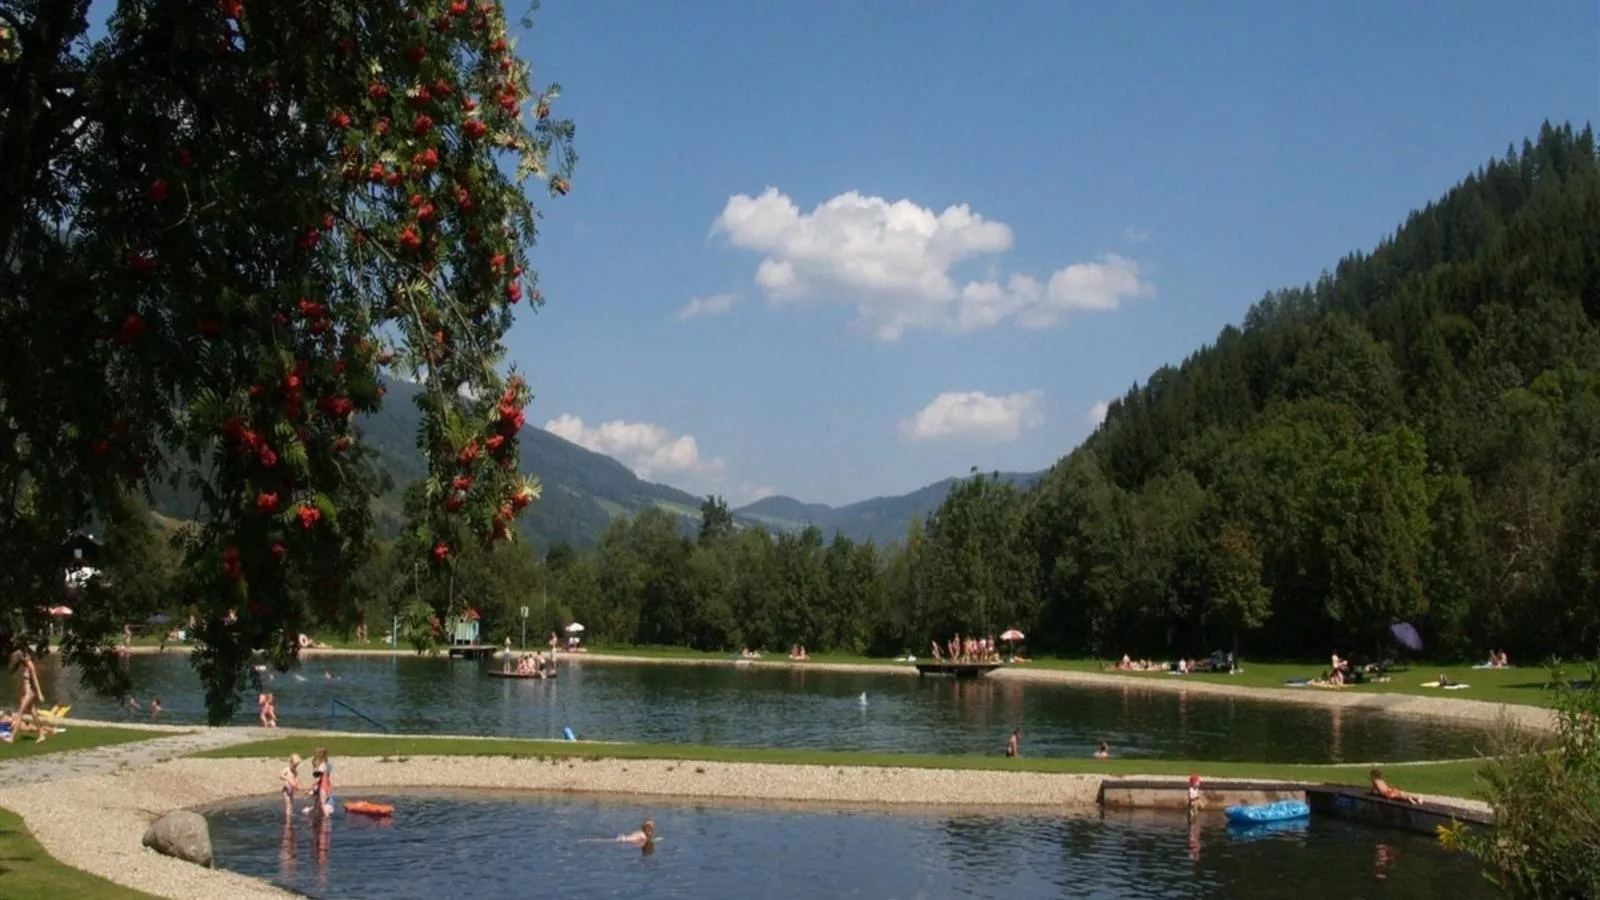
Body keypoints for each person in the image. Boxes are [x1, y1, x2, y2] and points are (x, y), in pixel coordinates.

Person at [281, 754, 303, 819]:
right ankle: (288, 818)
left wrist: (297, 785)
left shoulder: (295, 772)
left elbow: (296, 780)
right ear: (290, 763)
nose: (295, 767)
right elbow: (281, 776)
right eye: (294, 765)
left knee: (291, 803)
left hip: (291, 791)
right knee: (288, 804)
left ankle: (290, 814)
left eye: (296, 766)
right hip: (285, 790)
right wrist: (287, 779)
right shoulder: (286, 769)